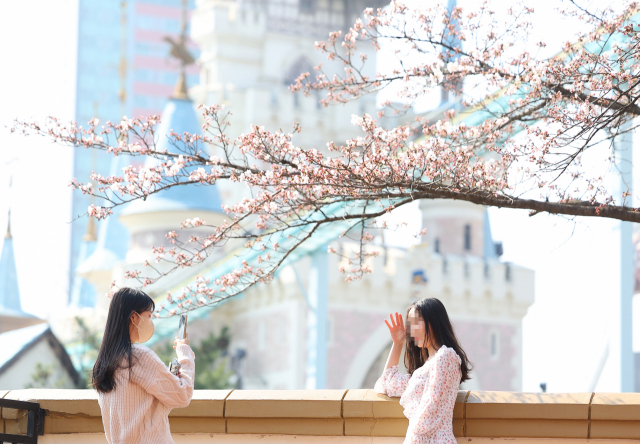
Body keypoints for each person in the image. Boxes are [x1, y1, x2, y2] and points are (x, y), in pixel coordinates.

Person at [91, 287, 195, 444]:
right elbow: (183, 395)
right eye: (148, 315)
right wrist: (184, 352)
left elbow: (144, 412)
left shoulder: (103, 363)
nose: (150, 321)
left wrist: (169, 379)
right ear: (134, 317)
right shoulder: (138, 356)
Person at [374, 297, 472, 444]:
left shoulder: (446, 357)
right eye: (410, 325)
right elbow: (387, 383)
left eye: (415, 323)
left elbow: (430, 411)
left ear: (432, 322)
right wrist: (397, 343)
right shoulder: (423, 371)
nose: (411, 331)